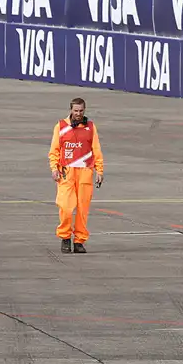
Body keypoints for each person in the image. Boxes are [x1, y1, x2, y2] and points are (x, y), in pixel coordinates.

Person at [48, 98, 104, 254]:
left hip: (85, 172)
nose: (78, 114)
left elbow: (96, 150)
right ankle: (65, 237)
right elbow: (54, 150)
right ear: (70, 110)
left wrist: (99, 170)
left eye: (81, 111)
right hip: (66, 172)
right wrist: (54, 168)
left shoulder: (91, 127)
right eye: (76, 111)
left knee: (82, 209)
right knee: (65, 207)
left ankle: (79, 240)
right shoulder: (61, 126)